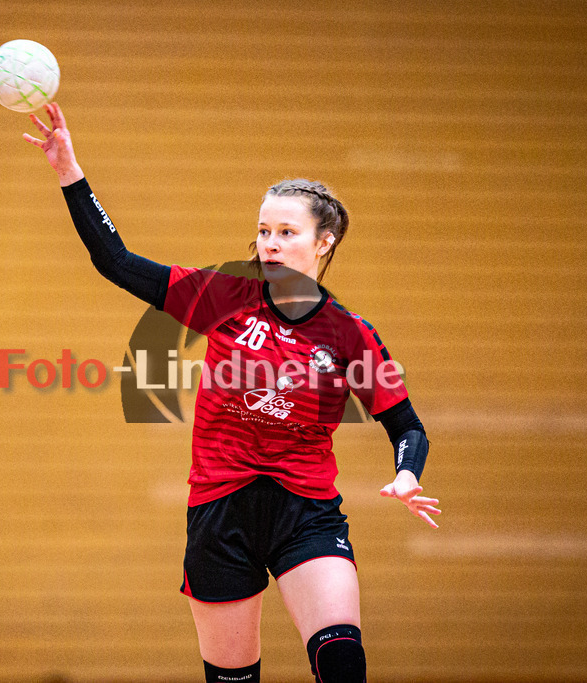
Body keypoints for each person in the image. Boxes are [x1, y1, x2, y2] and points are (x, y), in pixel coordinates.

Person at [24, 102, 440, 683]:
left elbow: (407, 426)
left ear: (326, 242)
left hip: (306, 514)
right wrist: (69, 170)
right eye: (264, 231)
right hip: (220, 514)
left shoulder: (350, 335)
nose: (270, 243)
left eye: (287, 232)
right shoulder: (225, 297)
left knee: (342, 661)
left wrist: (407, 473)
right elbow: (114, 261)